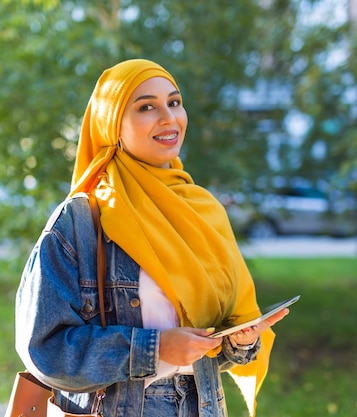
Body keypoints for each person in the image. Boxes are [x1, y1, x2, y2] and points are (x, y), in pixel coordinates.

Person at [15, 58, 289, 417]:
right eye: (147, 107)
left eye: (174, 103)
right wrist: (154, 348)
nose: (168, 118)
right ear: (113, 124)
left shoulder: (202, 209)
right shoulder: (82, 220)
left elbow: (206, 350)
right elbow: (44, 349)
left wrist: (239, 341)